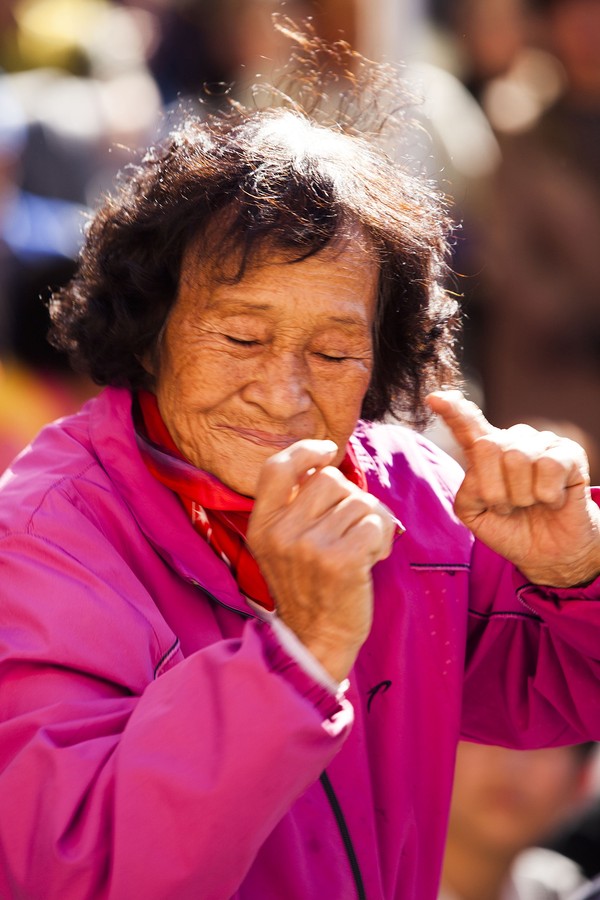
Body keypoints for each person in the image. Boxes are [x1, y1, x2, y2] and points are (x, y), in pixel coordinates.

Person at [1, 29, 600, 900]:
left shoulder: (410, 494)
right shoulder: (41, 544)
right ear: (150, 327)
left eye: (333, 351)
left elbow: (553, 689)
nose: (282, 393)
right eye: (242, 336)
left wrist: (578, 567)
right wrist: (300, 655)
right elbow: (76, 869)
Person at [438, 741, 597, 900]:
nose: (512, 764)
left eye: (544, 743)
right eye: (484, 733)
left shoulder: (568, 891)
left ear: (581, 781)